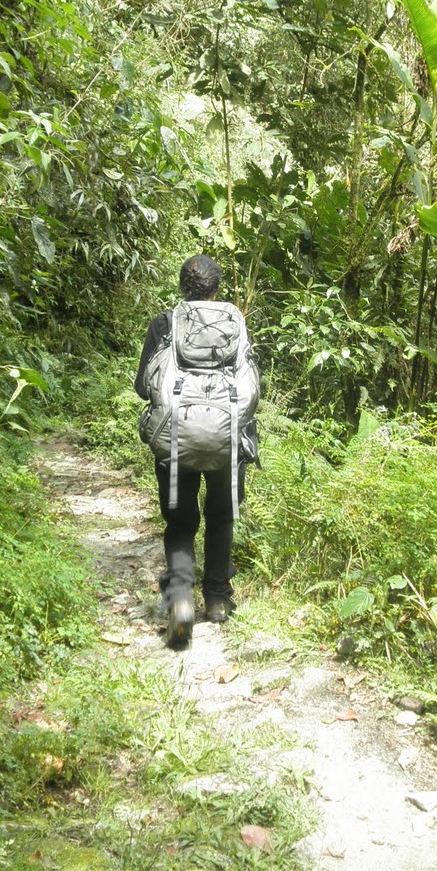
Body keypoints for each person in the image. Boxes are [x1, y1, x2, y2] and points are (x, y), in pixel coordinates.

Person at [134, 254, 255, 647]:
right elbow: (250, 384)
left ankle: (181, 601)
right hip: (227, 439)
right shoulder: (235, 323)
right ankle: (217, 599)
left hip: (176, 441)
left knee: (181, 523)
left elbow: (143, 386)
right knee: (221, 517)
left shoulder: (165, 324)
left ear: (182, 285)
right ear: (217, 287)